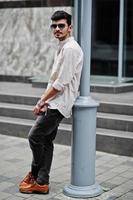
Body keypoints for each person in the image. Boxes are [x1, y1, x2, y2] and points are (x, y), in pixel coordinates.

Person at [19, 10, 83, 194]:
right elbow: (56, 81)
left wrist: (41, 101)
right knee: (46, 141)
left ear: (70, 27)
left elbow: (60, 84)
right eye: (54, 26)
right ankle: (42, 182)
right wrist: (47, 101)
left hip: (59, 104)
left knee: (34, 137)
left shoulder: (70, 49)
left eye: (61, 25)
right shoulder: (63, 46)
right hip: (54, 102)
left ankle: (34, 173)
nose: (57, 29)